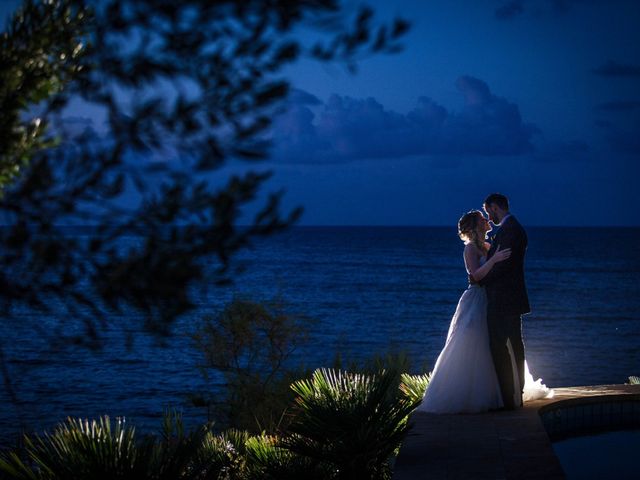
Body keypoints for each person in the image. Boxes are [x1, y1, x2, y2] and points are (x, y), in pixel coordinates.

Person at [417, 204, 551, 414]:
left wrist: (495, 257)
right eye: (482, 218)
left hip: (492, 298)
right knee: (473, 342)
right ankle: (472, 394)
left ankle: (501, 392)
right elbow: (475, 275)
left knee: (493, 345)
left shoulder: (488, 245)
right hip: (476, 298)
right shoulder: (470, 248)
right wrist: (495, 259)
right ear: (474, 226)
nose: (487, 219)